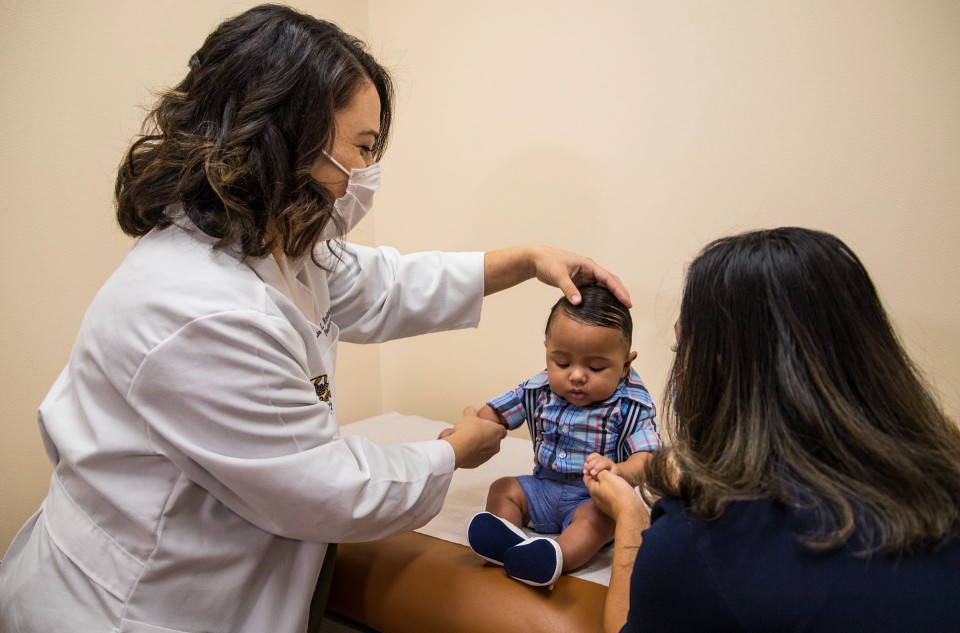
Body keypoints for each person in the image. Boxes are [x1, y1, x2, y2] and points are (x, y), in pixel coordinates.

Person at [0, 6, 633, 633]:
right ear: (285, 136)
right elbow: (327, 491)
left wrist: (525, 260)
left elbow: (382, 284)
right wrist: (451, 453)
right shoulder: (200, 309)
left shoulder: (269, 243)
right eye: (361, 147)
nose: (367, 172)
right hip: (135, 607)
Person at [585, 227, 960, 633]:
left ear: (719, 368)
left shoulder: (699, 541)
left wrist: (630, 515)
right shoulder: (943, 483)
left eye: (681, 347)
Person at [465, 284, 661, 588]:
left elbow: (646, 458)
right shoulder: (539, 389)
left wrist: (619, 471)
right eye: (562, 362)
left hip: (591, 496)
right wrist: (468, 431)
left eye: (596, 366)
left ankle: (553, 557)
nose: (577, 375)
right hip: (542, 487)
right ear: (547, 350)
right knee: (504, 488)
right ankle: (505, 539)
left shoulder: (631, 405)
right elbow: (496, 413)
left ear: (625, 365)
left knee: (600, 521)